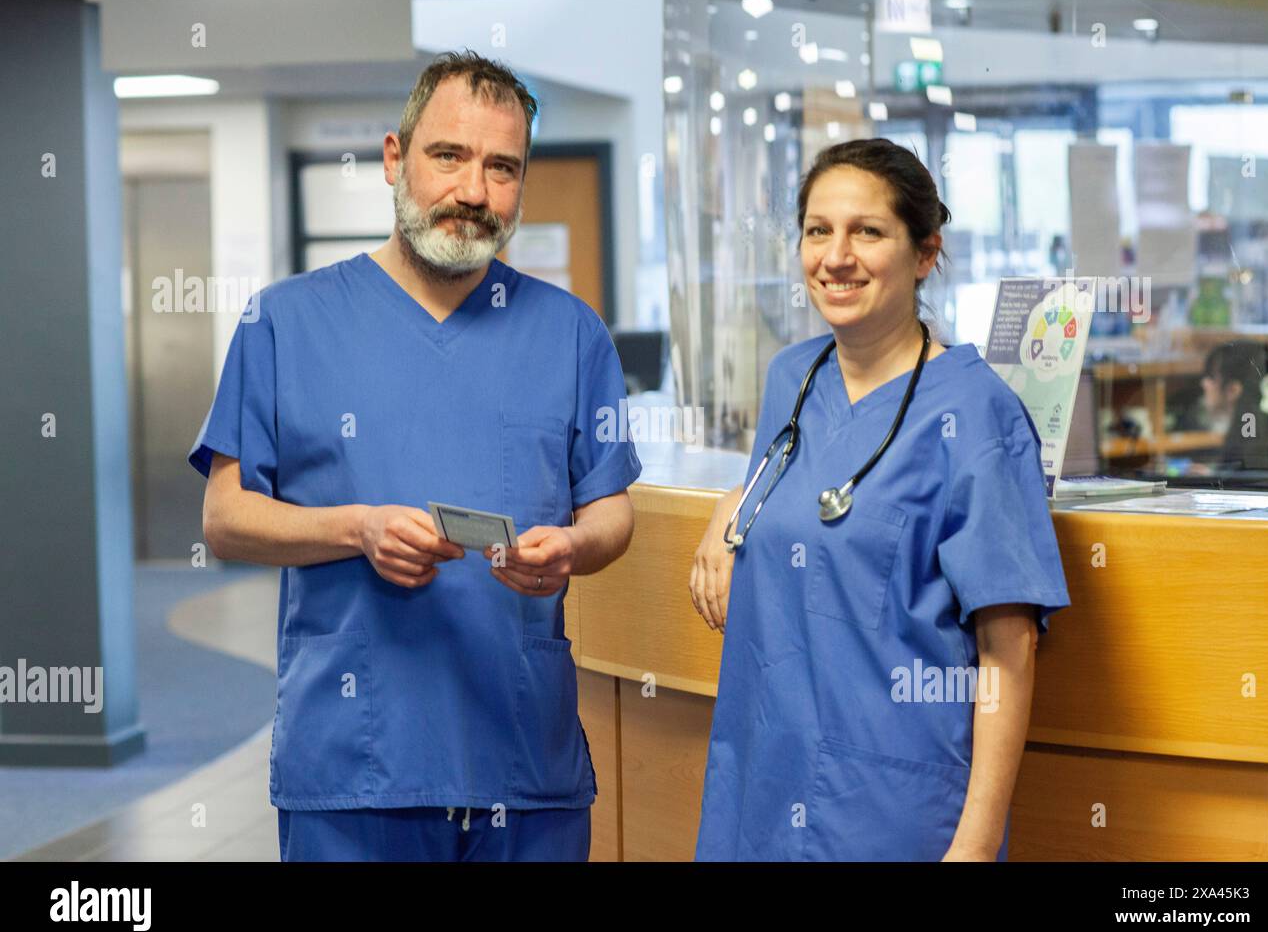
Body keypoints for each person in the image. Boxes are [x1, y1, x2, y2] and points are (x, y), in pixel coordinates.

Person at [188, 50, 641, 862]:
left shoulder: (572, 335)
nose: (474, 191)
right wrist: (356, 528)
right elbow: (224, 520)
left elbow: (611, 510)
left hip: (524, 763)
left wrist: (575, 546)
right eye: (449, 156)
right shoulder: (283, 325)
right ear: (395, 160)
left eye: (503, 167)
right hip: (357, 766)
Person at [688, 139, 1070, 861]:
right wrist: (732, 507)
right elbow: (799, 497)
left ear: (926, 253)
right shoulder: (791, 379)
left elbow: (1009, 648)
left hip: (895, 808)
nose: (837, 256)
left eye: (868, 231)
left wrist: (978, 843)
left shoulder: (975, 415)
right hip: (764, 789)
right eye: (818, 230)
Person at [1191, 339, 1268, 474]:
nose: (1205, 383)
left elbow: (1249, 482)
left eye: (1211, 377)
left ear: (1233, 390)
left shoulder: (1252, 449)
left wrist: (1216, 479)